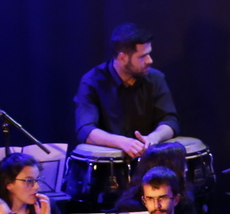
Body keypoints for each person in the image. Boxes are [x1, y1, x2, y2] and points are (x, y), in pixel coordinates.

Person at [72, 22, 182, 160]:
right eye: (142, 56)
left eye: (149, 54)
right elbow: (85, 129)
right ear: (122, 57)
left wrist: (154, 137)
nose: (149, 60)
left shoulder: (156, 79)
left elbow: (170, 121)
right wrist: (121, 142)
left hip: (150, 162)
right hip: (108, 166)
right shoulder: (91, 82)